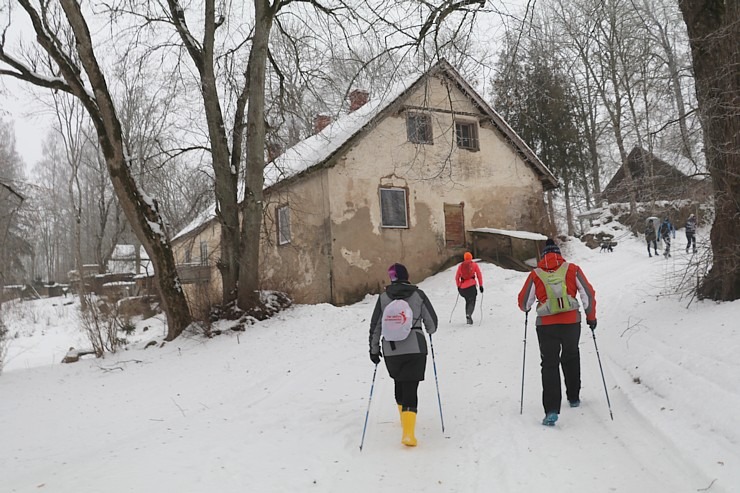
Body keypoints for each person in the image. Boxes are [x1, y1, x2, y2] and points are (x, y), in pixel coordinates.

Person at [517, 239, 597, 427]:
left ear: (543, 256)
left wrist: (529, 306)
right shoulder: (572, 269)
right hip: (571, 323)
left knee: (549, 364)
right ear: (559, 254)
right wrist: (591, 317)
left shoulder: (535, 274)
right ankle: (574, 397)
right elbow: (589, 294)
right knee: (571, 355)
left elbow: (523, 303)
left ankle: (551, 410)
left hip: (546, 325)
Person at [369, 263, 438, 446]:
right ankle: (408, 432)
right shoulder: (418, 295)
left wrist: (374, 349)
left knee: (399, 381)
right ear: (406, 276)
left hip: (391, 349)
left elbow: (375, 326)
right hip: (415, 347)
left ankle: (403, 418)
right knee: (411, 387)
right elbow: (432, 325)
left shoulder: (384, 298)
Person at [455, 252, 484, 324]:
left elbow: (456, 278)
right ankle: (469, 314)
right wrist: (481, 285)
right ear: (471, 257)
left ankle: (467, 316)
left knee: (467, 301)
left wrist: (458, 286)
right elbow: (479, 275)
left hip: (463, 289)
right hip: (471, 287)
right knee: (472, 301)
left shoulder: (460, 266)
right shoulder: (474, 265)